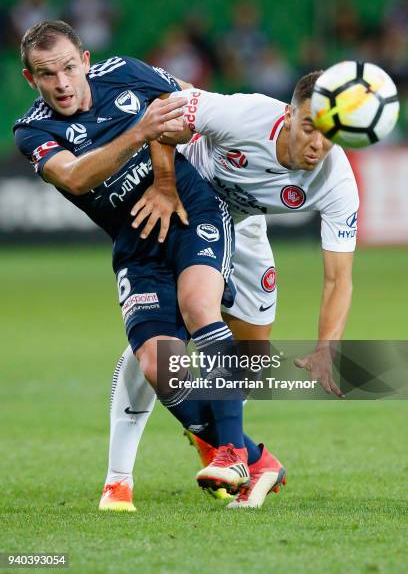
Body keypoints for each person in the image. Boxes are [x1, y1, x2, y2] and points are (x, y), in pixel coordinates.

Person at [13, 21, 285, 509]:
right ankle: (257, 458)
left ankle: (231, 454)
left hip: (189, 210)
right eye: (46, 74)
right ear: (31, 79)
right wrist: (140, 131)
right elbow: (75, 177)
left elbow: (173, 110)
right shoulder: (33, 129)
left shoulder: (124, 72)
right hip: (135, 245)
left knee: (200, 306)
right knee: (157, 362)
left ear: (86, 60)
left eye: (69, 68)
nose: (62, 83)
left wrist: (163, 181)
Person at [108, 71, 359, 508]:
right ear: (290, 112)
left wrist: (327, 347)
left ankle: (233, 447)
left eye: (330, 135)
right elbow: (166, 110)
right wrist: (166, 183)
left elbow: (339, 277)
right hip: (190, 210)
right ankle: (188, 461)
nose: (318, 144)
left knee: (250, 357)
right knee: (160, 344)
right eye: (308, 128)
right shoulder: (245, 115)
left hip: (244, 230)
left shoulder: (337, 182)